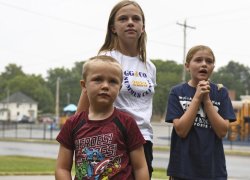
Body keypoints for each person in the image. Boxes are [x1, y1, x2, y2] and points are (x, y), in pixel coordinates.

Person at [76, 1, 156, 178]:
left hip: (143, 139)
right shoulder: (105, 59)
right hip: (111, 136)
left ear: (142, 27)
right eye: (123, 18)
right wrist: (77, 135)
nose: (130, 22)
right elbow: (84, 104)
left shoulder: (149, 67)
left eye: (136, 19)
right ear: (113, 28)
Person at [55, 56, 149, 180]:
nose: (105, 86)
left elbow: (140, 167)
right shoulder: (73, 124)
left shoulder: (127, 123)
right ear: (84, 85)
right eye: (98, 79)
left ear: (120, 88)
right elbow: (62, 168)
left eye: (113, 81)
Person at [165, 45, 236, 180]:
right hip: (182, 170)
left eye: (209, 61)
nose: (204, 64)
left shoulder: (221, 92)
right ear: (187, 66)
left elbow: (222, 131)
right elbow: (181, 130)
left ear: (213, 67)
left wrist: (207, 100)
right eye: (198, 60)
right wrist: (197, 97)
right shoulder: (177, 92)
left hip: (213, 171)